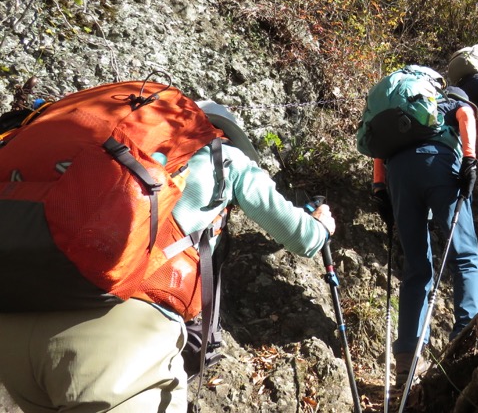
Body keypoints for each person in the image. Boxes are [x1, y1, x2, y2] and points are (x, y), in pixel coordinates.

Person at [0, 100, 336, 413]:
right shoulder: (226, 157)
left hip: (14, 324)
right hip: (117, 337)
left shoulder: (119, 150)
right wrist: (321, 226)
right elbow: (301, 237)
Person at [371, 86, 478, 388]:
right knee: (465, 255)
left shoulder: (401, 114)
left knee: (417, 267)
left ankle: (408, 357)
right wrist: (470, 159)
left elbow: (380, 149)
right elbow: (466, 114)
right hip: (438, 164)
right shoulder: (449, 103)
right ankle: (466, 340)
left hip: (398, 172)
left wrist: (380, 189)